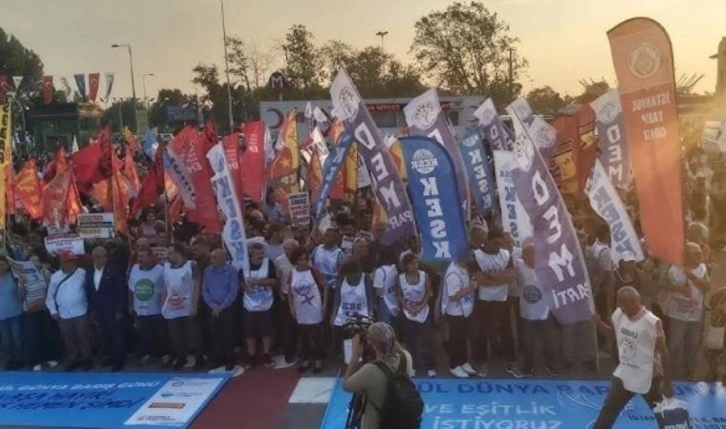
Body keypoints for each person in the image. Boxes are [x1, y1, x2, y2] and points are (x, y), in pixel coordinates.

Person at [592, 286, 672, 428]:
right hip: (625, 373)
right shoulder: (619, 314)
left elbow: (664, 352)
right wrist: (598, 324)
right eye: (619, 301)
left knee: (662, 414)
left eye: (622, 302)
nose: (619, 305)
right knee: (608, 410)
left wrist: (667, 382)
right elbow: (615, 336)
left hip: (648, 375)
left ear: (634, 302)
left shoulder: (652, 322)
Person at [342, 322, 414, 429]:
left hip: (376, 423)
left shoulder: (370, 370)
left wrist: (355, 356)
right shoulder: (406, 357)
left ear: (372, 345)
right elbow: (396, 348)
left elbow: (346, 386)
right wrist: (383, 333)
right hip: (402, 420)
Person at [46, 252, 93, 371]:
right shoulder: (55, 277)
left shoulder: (82, 273)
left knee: (83, 337)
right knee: (68, 338)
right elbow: (50, 296)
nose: (72, 263)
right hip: (64, 313)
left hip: (81, 311)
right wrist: (53, 311)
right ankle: (73, 359)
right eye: (69, 261)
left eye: (73, 260)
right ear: (63, 262)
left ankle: (86, 359)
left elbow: (89, 289)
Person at [162, 242, 204, 370]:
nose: (168, 255)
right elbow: (165, 286)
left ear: (178, 253)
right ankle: (181, 357)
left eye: (170, 253)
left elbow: (196, 286)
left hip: (187, 304)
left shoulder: (191, 265)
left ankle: (198, 358)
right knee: (176, 335)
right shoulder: (166, 267)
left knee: (192, 334)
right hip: (172, 305)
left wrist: (194, 305)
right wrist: (163, 304)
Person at [86, 246, 128, 371]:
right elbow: (90, 291)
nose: (103, 259)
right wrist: (92, 309)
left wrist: (119, 309)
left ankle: (119, 359)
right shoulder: (89, 272)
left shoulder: (113, 271)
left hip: (112, 309)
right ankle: (111, 356)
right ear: (94, 258)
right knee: (105, 335)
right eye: (100, 257)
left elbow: (120, 291)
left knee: (116, 335)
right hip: (99, 309)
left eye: (105, 256)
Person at [286, 247, 328, 373]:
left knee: (317, 334)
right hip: (300, 307)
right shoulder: (292, 274)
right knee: (303, 334)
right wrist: (291, 307)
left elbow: (326, 286)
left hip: (314, 306)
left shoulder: (313, 271)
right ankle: (306, 358)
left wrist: (324, 304)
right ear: (295, 261)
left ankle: (319, 359)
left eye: (305, 259)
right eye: (300, 259)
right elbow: (289, 292)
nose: (303, 262)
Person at [398, 253, 436, 377]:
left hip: (423, 311)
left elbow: (428, 293)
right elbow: (399, 295)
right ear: (406, 265)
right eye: (412, 263)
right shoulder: (401, 278)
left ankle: (430, 366)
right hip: (408, 312)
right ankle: (412, 366)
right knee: (410, 341)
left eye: (416, 262)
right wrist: (408, 307)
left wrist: (420, 307)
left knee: (427, 340)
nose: (415, 265)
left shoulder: (424, 275)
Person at [128, 246, 168, 365]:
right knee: (144, 334)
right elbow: (131, 289)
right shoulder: (134, 269)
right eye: (138, 256)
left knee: (161, 334)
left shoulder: (160, 270)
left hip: (156, 309)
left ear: (150, 257)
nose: (140, 259)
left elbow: (165, 288)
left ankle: (165, 354)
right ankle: (149, 354)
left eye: (143, 256)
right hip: (140, 308)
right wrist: (130, 304)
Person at [442, 251, 478, 378]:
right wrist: (470, 288)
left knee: (463, 338)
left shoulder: (464, 267)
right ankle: (454, 365)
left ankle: (463, 362)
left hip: (465, 309)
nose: (472, 258)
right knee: (456, 340)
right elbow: (453, 296)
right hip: (455, 312)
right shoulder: (453, 273)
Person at [203, 249, 240, 372]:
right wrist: (211, 305)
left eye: (214, 257)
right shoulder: (207, 271)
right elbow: (205, 289)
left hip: (227, 308)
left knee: (228, 335)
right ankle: (218, 358)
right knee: (215, 334)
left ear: (222, 259)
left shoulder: (231, 271)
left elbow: (233, 291)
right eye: (211, 257)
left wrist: (222, 306)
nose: (211, 260)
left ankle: (230, 360)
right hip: (212, 308)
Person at [242, 242, 278, 368]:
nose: (261, 255)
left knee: (266, 331)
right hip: (249, 304)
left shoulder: (269, 263)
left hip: (265, 303)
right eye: (259, 253)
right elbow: (240, 281)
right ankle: (251, 355)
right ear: (251, 253)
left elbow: (274, 281)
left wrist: (257, 282)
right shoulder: (244, 265)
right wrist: (245, 287)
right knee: (249, 332)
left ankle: (266, 354)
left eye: (263, 252)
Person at [0, 257, 24, 369]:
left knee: (17, 337)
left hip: (15, 312)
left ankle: (19, 360)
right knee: (6, 339)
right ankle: (9, 360)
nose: (0, 267)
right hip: (1, 315)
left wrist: (21, 285)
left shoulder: (14, 277)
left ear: (7, 265)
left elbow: (21, 295)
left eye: (2, 264)